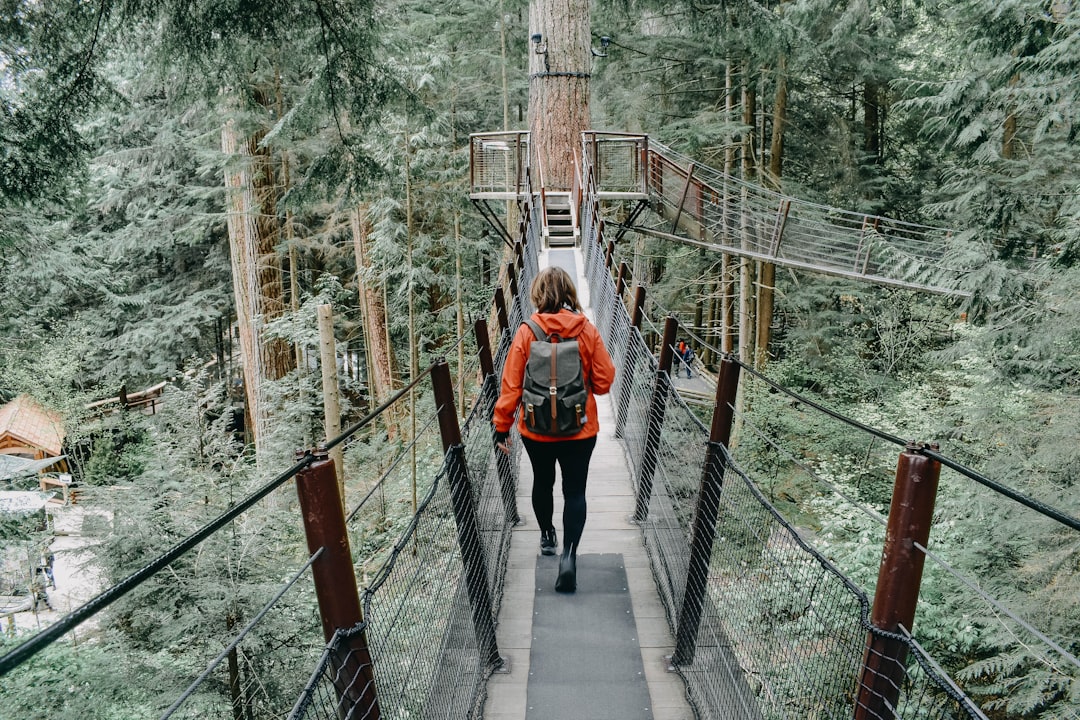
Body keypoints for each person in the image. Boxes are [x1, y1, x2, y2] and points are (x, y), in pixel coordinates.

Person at [493, 266, 616, 593]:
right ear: (570, 294)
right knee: (575, 492)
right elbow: (604, 383)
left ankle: (547, 535)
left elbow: (511, 385)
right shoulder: (586, 330)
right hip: (580, 429)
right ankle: (569, 556)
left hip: (536, 430)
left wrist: (501, 426)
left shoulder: (526, 332)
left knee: (542, 483)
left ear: (537, 294)